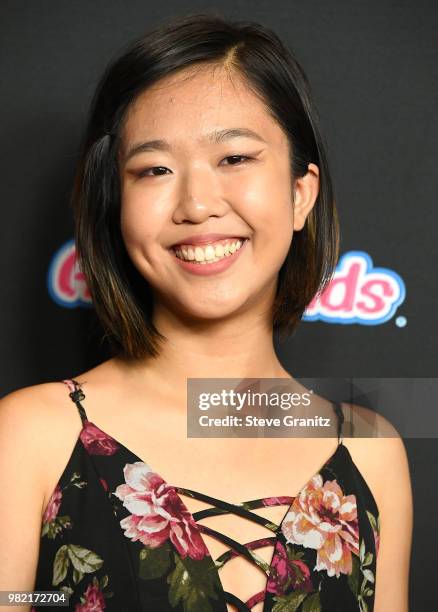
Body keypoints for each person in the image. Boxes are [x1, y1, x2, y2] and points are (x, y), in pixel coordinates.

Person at [0, 12, 412, 612]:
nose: (196, 204)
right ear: (117, 204)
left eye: (235, 159)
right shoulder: (32, 434)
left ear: (301, 194)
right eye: (155, 170)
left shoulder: (370, 451)